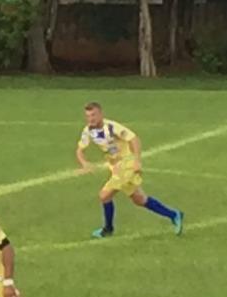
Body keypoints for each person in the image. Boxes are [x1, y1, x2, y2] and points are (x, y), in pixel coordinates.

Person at [76, 102, 184, 238]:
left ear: (101, 114)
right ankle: (174, 215)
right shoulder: (88, 131)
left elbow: (134, 139)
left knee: (104, 195)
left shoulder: (112, 127)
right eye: (88, 116)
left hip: (127, 164)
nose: (91, 119)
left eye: (93, 115)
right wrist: (84, 163)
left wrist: (137, 160)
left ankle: (108, 229)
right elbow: (79, 150)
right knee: (139, 199)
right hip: (116, 167)